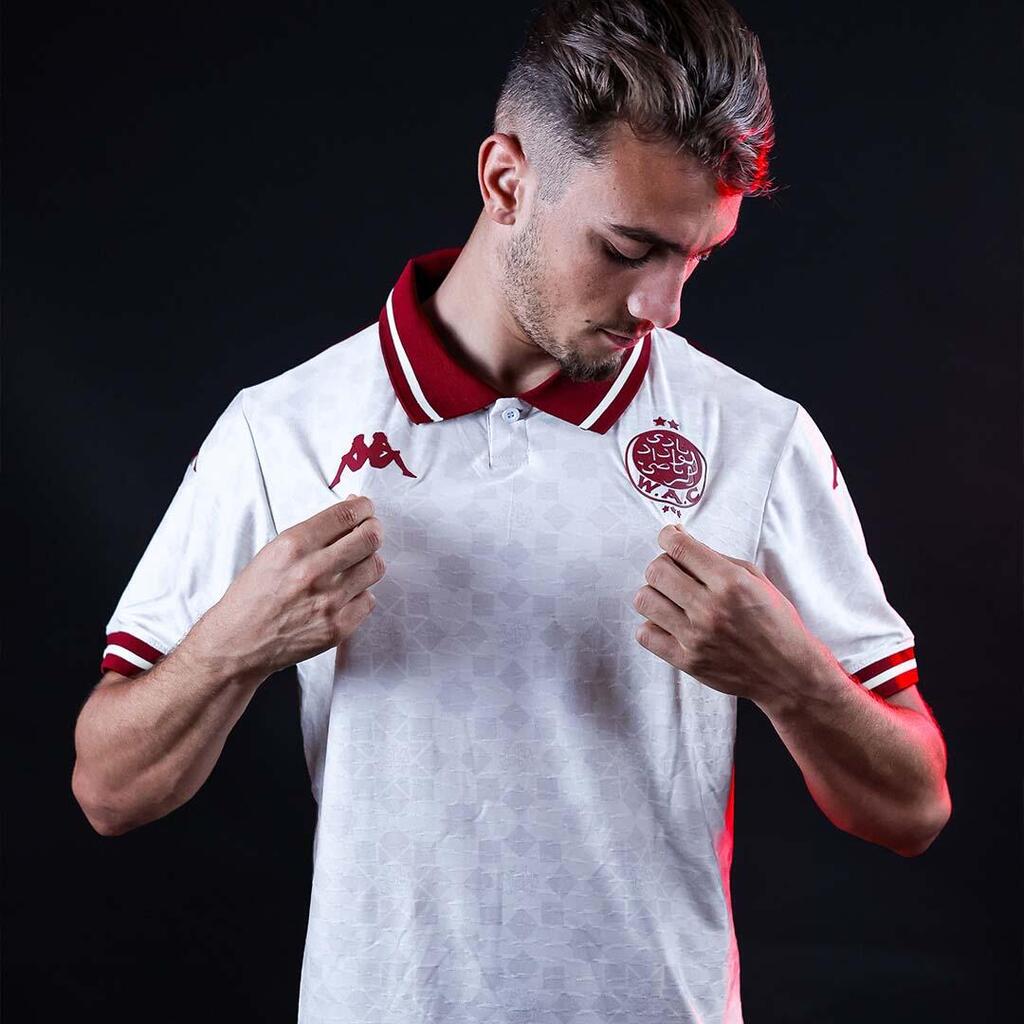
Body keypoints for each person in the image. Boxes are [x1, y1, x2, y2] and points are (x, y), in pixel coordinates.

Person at [72, 1, 950, 1021]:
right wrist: (234, 645)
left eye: (697, 255)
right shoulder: (284, 430)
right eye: (628, 248)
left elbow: (913, 806)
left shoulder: (755, 438)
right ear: (505, 181)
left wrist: (792, 678)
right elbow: (110, 789)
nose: (664, 306)